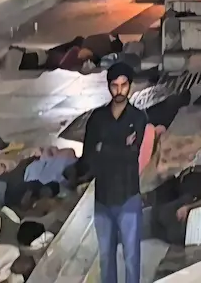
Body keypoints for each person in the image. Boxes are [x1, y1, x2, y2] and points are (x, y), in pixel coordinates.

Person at [82, 63, 148, 283]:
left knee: (131, 259)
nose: (119, 91)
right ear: (108, 87)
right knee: (106, 259)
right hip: (102, 199)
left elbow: (133, 154)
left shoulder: (138, 118)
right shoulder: (97, 118)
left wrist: (105, 147)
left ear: (130, 85)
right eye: (115, 86)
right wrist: (120, 145)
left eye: (124, 85)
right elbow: (89, 155)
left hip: (128, 197)